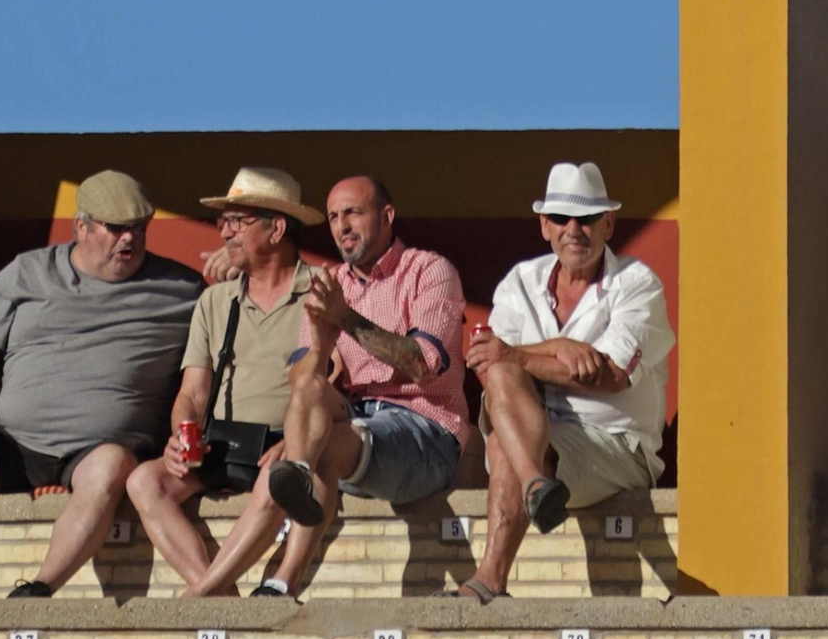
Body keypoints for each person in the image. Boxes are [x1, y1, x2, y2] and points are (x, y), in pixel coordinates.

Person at [0, 169, 200, 600]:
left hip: (100, 451)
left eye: (139, 228)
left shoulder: (183, 289)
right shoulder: (28, 272)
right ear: (81, 226)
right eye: (116, 227)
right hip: (13, 445)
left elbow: (237, 317)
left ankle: (40, 589)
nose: (130, 239)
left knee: (110, 465)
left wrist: (236, 267)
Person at [196, 173, 468, 599]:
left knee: (316, 449)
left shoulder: (430, 270)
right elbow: (302, 381)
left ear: (387, 216)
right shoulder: (330, 283)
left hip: (425, 430)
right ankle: (217, 588)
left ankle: (276, 581)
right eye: (334, 217)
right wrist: (322, 344)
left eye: (353, 213)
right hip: (355, 427)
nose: (342, 226)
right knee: (302, 415)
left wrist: (345, 319)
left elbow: (422, 365)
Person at [461, 158, 674, 603]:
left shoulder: (637, 283)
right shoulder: (521, 280)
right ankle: (536, 485)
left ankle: (490, 578)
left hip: (616, 444)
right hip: (542, 438)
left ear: (608, 224)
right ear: (545, 226)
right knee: (503, 382)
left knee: (504, 441)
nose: (573, 229)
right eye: (561, 217)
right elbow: (486, 361)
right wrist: (557, 347)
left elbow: (613, 375)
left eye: (587, 218)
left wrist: (520, 355)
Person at [125, 164, 321, 593]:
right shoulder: (215, 301)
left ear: (276, 229)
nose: (225, 232)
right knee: (145, 481)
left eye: (237, 221)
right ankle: (218, 597)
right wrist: (182, 437)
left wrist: (300, 442)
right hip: (223, 445)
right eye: (223, 221)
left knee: (280, 479)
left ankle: (204, 596)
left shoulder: (324, 292)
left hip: (284, 447)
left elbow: (340, 388)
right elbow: (193, 393)